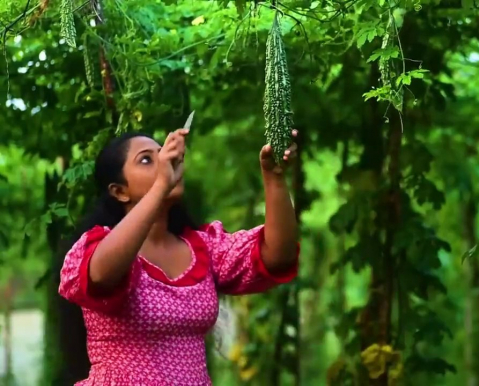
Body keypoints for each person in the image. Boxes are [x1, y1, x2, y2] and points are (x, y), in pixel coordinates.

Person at [58, 128, 300, 385]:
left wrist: (274, 179)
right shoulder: (100, 247)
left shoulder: (205, 248)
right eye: (146, 159)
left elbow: (277, 255)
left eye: (163, 153)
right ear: (120, 191)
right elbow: (101, 275)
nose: (166, 162)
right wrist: (161, 185)